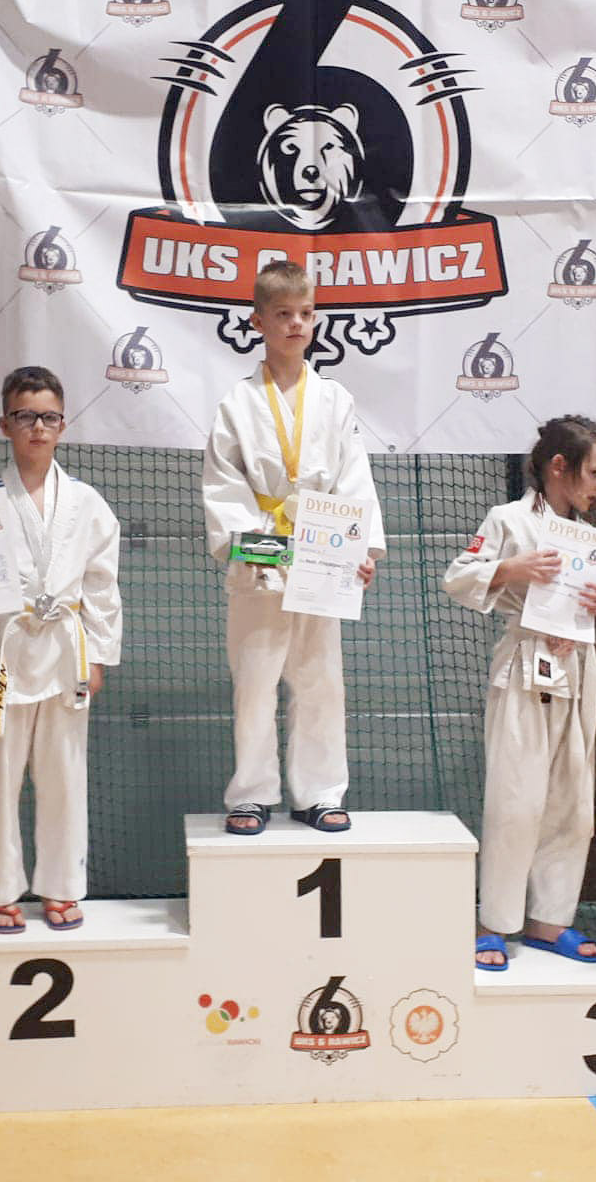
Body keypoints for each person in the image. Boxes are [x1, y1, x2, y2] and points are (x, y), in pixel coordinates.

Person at [0, 367, 121, 933]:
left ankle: (61, 888)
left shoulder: (87, 502)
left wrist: (99, 655)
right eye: (25, 416)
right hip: (3, 656)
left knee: (64, 776)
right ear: (4, 424)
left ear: (63, 425)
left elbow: (103, 585)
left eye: (48, 417)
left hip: (65, 653)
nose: (38, 427)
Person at [202, 259, 384, 835]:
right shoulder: (236, 403)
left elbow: (354, 479)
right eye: (283, 314)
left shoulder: (335, 399)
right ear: (258, 320)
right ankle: (251, 793)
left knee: (320, 679)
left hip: (322, 553)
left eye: (306, 313)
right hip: (261, 556)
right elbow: (224, 487)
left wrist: (360, 551)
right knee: (255, 680)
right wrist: (263, 547)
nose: (296, 324)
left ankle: (320, 792)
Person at [443, 416, 596, 970]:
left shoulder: (586, 536)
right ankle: (494, 922)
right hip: (522, 667)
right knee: (516, 799)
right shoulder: (507, 519)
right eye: (594, 473)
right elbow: (457, 577)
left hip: (578, 668)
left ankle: (549, 920)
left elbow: (583, 602)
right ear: (559, 467)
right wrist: (508, 569)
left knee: (574, 803)